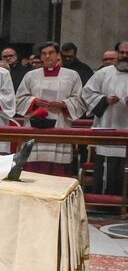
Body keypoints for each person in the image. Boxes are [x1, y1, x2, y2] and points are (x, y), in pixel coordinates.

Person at [14, 41, 85, 176]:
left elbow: (80, 100)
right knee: (33, 169)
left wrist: (64, 104)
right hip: (35, 125)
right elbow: (19, 99)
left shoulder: (72, 75)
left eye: (51, 53)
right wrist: (34, 101)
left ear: (58, 55)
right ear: (40, 57)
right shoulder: (31, 75)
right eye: (44, 54)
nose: (47, 56)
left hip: (60, 124)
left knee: (58, 172)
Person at [81, 41, 128, 195]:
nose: (125, 56)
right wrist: (104, 100)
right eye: (122, 53)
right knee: (107, 167)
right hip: (107, 126)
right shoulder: (103, 73)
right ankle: (104, 203)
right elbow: (86, 93)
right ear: (117, 53)